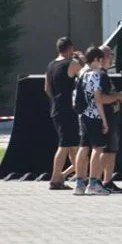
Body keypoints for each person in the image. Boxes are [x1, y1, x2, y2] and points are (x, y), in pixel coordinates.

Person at [72, 47, 120, 196]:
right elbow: (99, 100)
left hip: (83, 115)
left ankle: (79, 183)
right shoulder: (97, 75)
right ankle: (93, 183)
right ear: (98, 59)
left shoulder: (83, 74)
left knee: (83, 147)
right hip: (95, 116)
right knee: (97, 149)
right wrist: (104, 121)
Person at [44, 37, 82, 190]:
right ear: (70, 49)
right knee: (64, 145)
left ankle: (80, 176)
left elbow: (46, 88)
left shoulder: (51, 65)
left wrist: (56, 99)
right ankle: (55, 179)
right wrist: (81, 60)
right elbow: (86, 76)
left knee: (73, 146)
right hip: (68, 110)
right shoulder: (71, 63)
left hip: (56, 108)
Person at [99, 46, 122, 193]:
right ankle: (96, 179)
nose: (112, 58)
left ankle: (107, 180)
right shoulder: (99, 75)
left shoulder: (105, 74)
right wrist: (117, 96)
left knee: (111, 150)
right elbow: (101, 98)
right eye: (110, 55)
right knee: (105, 150)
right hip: (105, 117)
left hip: (112, 116)